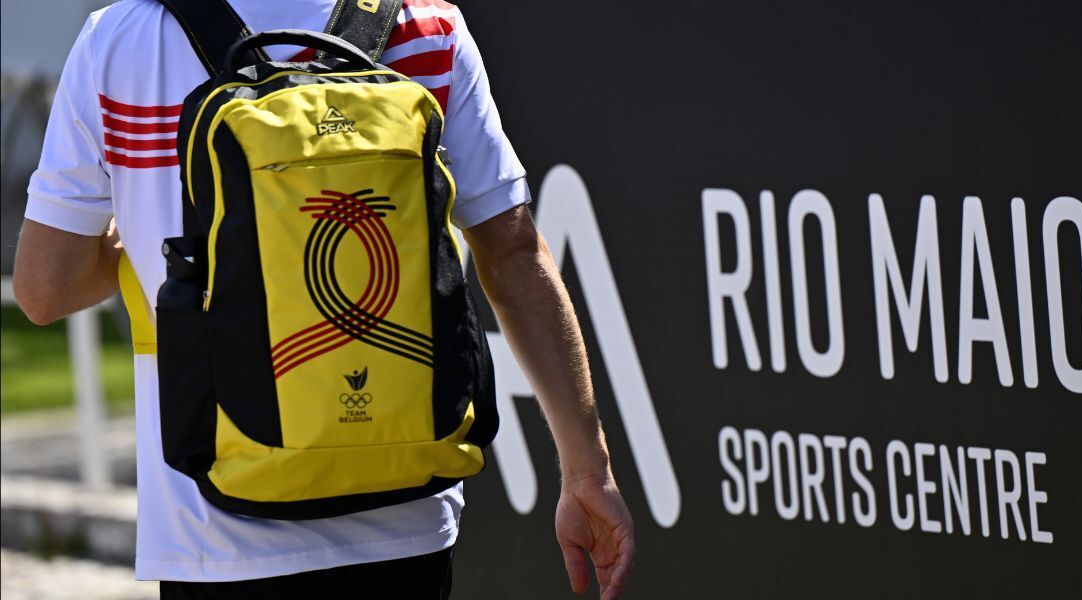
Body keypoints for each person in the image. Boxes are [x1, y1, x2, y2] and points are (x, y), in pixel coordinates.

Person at [11, 0, 635, 598]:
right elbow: (514, 254)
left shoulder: (119, 42)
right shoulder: (426, 28)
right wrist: (589, 471)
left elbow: (45, 289)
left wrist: (140, 241)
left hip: (213, 525)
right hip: (406, 508)